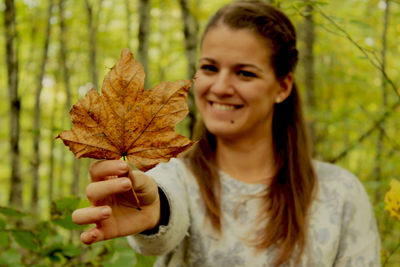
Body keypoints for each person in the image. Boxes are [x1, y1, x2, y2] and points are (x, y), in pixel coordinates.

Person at [71, 1, 381, 266]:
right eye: (209, 68)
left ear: (282, 87)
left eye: (244, 73)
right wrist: (154, 209)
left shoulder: (340, 194)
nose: (220, 87)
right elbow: (165, 205)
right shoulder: (175, 177)